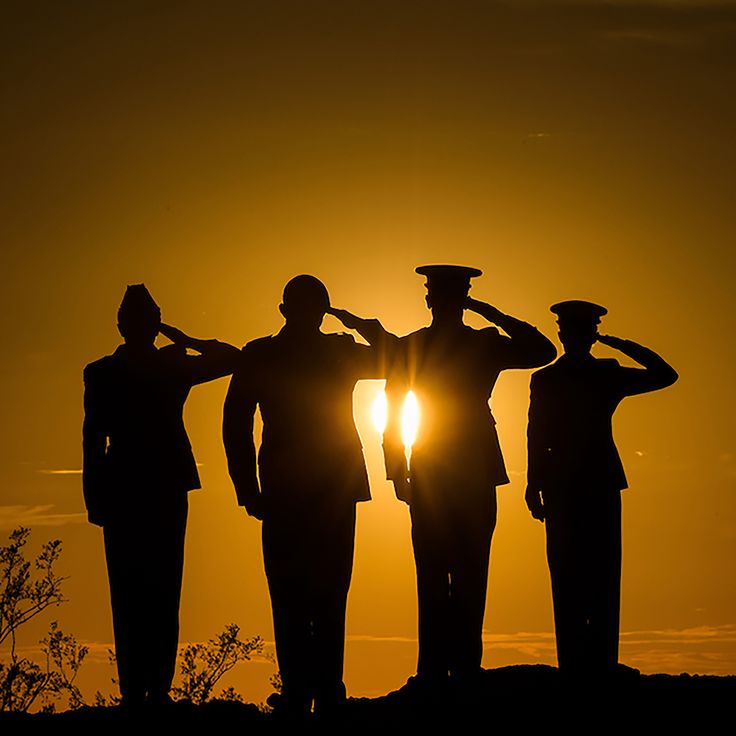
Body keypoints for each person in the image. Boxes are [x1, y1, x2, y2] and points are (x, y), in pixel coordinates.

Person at [346, 264, 556, 694]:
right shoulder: (453, 345)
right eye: (446, 296)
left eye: (447, 295)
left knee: (460, 568)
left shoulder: (453, 345)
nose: (440, 302)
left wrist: (396, 468)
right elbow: (391, 410)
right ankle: (443, 669)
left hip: (453, 465)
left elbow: (542, 350)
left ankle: (453, 669)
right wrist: (395, 468)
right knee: (449, 568)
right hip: (441, 464)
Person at [222, 275, 385, 717]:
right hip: (312, 488)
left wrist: (247, 488)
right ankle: (321, 688)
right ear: (321, 311)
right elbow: (397, 357)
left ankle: (307, 688)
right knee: (325, 590)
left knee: (297, 591)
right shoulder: (332, 350)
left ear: (283, 309)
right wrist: (360, 324)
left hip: (294, 488)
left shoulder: (265, 354)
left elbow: (235, 425)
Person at [82, 284, 240, 707]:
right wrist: (182, 339)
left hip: (149, 486)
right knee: (146, 587)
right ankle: (143, 690)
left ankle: (150, 690)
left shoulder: (140, 369)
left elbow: (232, 360)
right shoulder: (131, 369)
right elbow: (92, 439)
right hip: (140, 487)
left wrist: (179, 342)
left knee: (152, 586)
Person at [525, 300, 678, 677]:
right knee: (583, 571)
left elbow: (666, 375)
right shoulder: (574, 376)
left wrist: (535, 481)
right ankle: (587, 661)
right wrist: (533, 482)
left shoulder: (564, 376)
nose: (574, 338)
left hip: (578, 481)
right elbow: (536, 432)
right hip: (584, 481)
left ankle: (588, 661)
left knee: (587, 572)